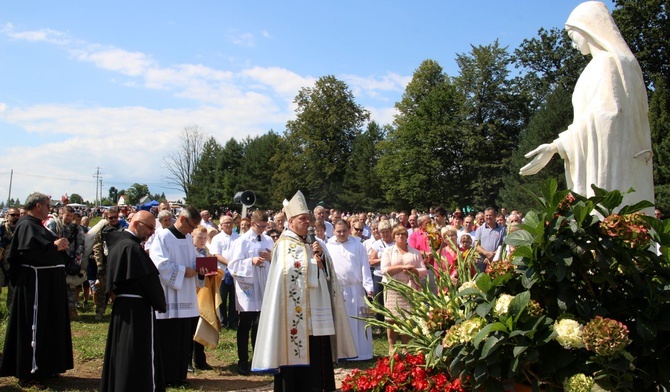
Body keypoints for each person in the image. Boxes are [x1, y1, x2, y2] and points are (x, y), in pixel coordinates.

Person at [520, 1, 654, 214]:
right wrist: (558, 146)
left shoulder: (608, 63)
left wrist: (558, 145)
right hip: (614, 159)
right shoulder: (613, 63)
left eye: (573, 37)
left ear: (587, 29)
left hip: (613, 165)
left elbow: (607, 117)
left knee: (611, 221)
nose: (573, 45)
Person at [252, 190, 356, 392]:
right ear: (291, 222)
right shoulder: (284, 245)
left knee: (319, 356)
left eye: (308, 219)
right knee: (296, 365)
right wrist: (313, 264)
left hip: (318, 315)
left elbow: (328, 273)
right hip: (296, 317)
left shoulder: (312, 243)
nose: (307, 222)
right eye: (303, 219)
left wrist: (322, 260)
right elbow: (288, 273)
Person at [0, 193, 73, 388]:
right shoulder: (26, 225)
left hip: (48, 286)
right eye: (48, 205)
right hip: (36, 287)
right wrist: (54, 247)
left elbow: (46, 247)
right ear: (38, 205)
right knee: (34, 328)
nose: (50, 209)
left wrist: (60, 247)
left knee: (49, 325)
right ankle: (29, 371)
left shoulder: (36, 225)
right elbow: (29, 254)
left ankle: (46, 366)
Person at [100, 211, 167, 392]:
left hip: (122, 307)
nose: (152, 232)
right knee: (136, 354)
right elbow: (148, 281)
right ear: (136, 224)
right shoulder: (132, 249)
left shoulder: (119, 245)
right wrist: (160, 303)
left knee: (122, 352)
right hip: (137, 310)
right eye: (150, 227)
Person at [149, 206, 206, 387]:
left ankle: (180, 375)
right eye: (191, 226)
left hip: (187, 296)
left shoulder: (188, 239)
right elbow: (160, 265)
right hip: (170, 297)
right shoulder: (163, 237)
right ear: (181, 219)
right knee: (169, 339)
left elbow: (194, 261)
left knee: (184, 338)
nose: (192, 231)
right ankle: (166, 377)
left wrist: (201, 270)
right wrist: (183, 271)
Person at [228, 210, 274, 375]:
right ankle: (243, 360)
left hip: (264, 285)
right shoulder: (242, 241)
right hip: (248, 287)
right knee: (245, 324)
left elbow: (276, 260)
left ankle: (258, 358)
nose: (263, 229)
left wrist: (270, 257)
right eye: (260, 226)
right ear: (252, 224)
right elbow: (233, 265)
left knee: (260, 324)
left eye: (265, 226)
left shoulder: (268, 239)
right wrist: (251, 261)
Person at [326, 220, 374, 361]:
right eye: (338, 231)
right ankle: (342, 353)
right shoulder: (328, 246)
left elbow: (365, 267)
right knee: (341, 322)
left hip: (356, 289)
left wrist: (368, 287)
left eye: (344, 231)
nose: (341, 234)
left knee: (358, 321)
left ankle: (361, 353)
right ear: (334, 231)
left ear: (349, 230)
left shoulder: (358, 246)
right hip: (338, 290)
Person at [381, 224, 427, 355]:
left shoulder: (415, 252)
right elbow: (384, 269)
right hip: (392, 287)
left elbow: (423, 270)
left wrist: (414, 270)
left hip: (409, 287)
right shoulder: (388, 251)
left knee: (407, 318)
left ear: (407, 236)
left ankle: (405, 346)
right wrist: (401, 267)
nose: (400, 236)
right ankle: (391, 346)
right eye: (397, 234)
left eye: (403, 234)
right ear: (394, 237)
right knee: (391, 318)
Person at [191, 225, 221, 371]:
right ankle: (189, 361)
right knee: (191, 328)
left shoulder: (207, 251)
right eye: (199, 238)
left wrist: (215, 273)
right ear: (192, 237)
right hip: (193, 293)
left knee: (200, 326)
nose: (203, 241)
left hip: (205, 293)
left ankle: (200, 359)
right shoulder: (189, 251)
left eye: (205, 238)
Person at [92, 206, 125, 320]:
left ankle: (118, 312)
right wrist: (99, 264)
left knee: (118, 290)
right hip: (106, 264)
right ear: (107, 218)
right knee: (102, 290)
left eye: (115, 217)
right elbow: (97, 248)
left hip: (118, 264)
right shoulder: (102, 231)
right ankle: (99, 312)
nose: (114, 220)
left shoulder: (123, 230)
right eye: (111, 218)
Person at [210, 214, 239, 330]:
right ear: (221, 225)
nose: (228, 224)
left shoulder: (238, 237)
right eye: (226, 223)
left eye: (230, 222)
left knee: (234, 298)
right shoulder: (217, 238)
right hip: (221, 272)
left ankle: (233, 321)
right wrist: (229, 263)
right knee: (221, 297)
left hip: (236, 272)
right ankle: (222, 321)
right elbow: (216, 254)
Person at [473, 207, 506, 272]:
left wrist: (493, 254)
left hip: (496, 259)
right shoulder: (480, 229)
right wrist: (486, 253)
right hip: (482, 260)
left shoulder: (502, 229)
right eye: (486, 215)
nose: (488, 217)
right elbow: (476, 244)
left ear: (495, 216)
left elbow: (504, 244)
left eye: (490, 215)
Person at [0, 207, 20, 307]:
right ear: (7, 215)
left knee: (13, 289)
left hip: (14, 263)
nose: (15, 217)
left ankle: (11, 312)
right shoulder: (2, 227)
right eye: (13, 215)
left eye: (17, 215)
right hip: (1, 261)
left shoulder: (21, 228)